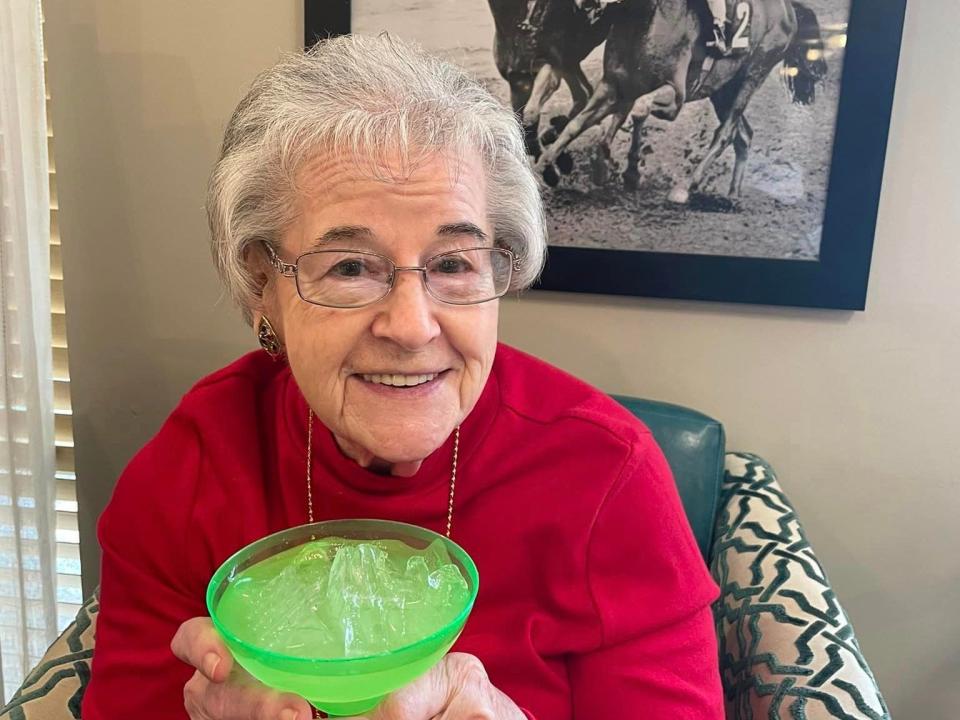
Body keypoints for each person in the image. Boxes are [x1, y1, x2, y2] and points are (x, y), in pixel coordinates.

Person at [80, 34, 723, 720]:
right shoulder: (192, 471)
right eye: (350, 268)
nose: (413, 327)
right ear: (264, 286)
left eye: (453, 264)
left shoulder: (607, 475)